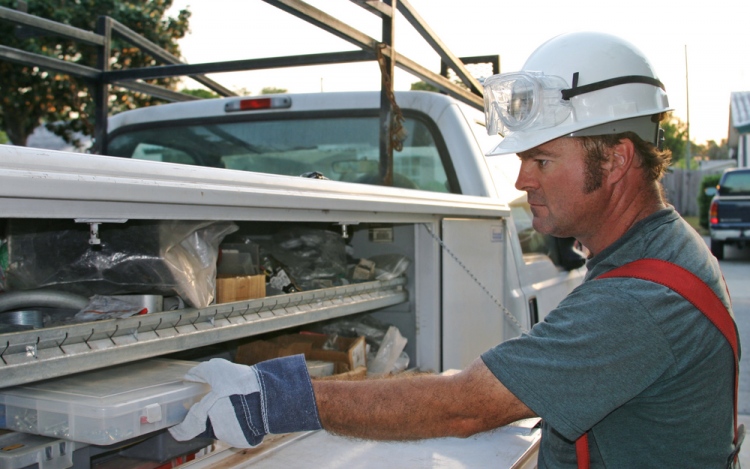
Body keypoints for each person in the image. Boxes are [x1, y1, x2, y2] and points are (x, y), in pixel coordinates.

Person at [169, 32, 740, 467]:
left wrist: (274, 398)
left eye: (541, 160)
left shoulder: (636, 301)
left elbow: (467, 405)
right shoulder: (657, 249)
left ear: (615, 160)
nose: (522, 181)